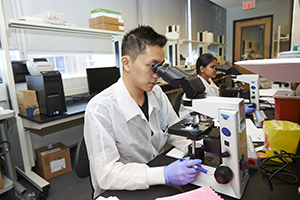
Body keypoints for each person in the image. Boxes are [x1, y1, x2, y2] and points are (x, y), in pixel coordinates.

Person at [84, 25, 202, 198]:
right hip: (121, 189)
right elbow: (106, 174)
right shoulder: (100, 108)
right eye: (152, 66)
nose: (158, 74)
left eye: (161, 67)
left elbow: (174, 130)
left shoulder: (157, 94)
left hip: (155, 175)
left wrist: (197, 149)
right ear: (126, 63)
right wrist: (165, 174)